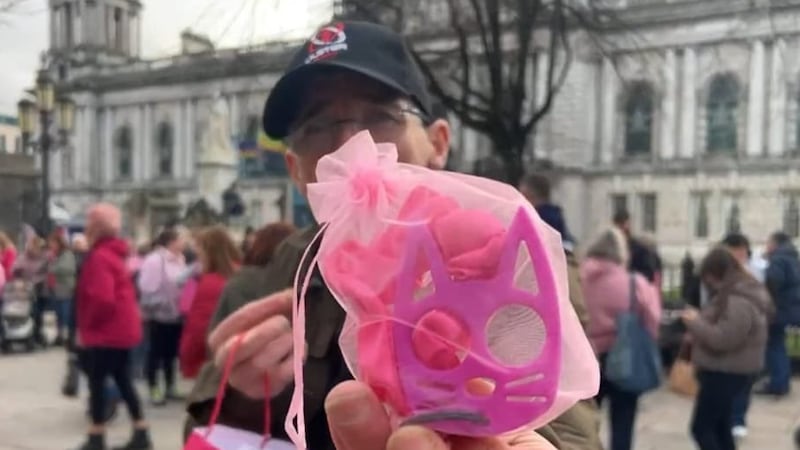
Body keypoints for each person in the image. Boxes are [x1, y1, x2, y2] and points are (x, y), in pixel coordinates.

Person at [185, 20, 569, 450]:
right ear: (296, 172)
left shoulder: (514, 259)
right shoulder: (269, 277)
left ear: (438, 144)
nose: (353, 145)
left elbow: (572, 425)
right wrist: (240, 394)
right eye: (318, 126)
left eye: (381, 117)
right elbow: (203, 431)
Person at [74, 203, 151, 450]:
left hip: (106, 332)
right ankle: (141, 431)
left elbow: (101, 298)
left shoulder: (99, 258)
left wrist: (87, 328)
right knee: (122, 380)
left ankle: (97, 436)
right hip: (122, 329)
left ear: (95, 228)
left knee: (97, 383)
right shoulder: (115, 254)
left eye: (89, 223)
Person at [682, 247, 771, 450]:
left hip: (726, 371)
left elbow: (724, 339)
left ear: (715, 274)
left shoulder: (738, 300)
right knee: (720, 427)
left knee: (701, 428)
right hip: (726, 370)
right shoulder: (736, 293)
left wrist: (695, 322)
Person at [580, 227, 661, 450]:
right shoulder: (635, 283)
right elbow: (652, 322)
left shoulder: (578, 279)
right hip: (624, 357)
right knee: (623, 422)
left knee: (583, 424)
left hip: (584, 359)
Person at [179, 226, 241, 379]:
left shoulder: (207, 282)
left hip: (212, 358)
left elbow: (198, 325)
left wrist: (187, 357)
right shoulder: (243, 275)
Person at [721, 232, 766, 439]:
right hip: (728, 330)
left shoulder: (756, 269)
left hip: (749, 333)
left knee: (743, 379)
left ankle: (738, 419)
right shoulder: (722, 269)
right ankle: (729, 417)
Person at [137, 229, 186, 405]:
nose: (184, 243)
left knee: (171, 352)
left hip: (177, 313)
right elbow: (147, 287)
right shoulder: (155, 260)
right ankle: (154, 388)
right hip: (158, 314)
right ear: (171, 242)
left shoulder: (180, 259)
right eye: (181, 239)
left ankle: (170, 386)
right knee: (155, 352)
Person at [758, 231, 800, 397]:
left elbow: (773, 282)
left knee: (774, 344)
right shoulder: (792, 258)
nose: (766, 246)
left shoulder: (778, 259)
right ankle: (781, 380)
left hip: (779, 309)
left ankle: (778, 383)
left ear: (775, 244)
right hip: (791, 308)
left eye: (768, 243)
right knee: (779, 344)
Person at [13, 235, 49, 347]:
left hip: (40, 289)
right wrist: (18, 273)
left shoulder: (45, 258)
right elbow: (14, 269)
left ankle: (37, 334)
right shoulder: (23, 257)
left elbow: (47, 272)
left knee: (38, 314)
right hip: (26, 289)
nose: (34, 250)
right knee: (29, 312)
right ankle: (27, 334)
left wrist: (40, 279)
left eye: (37, 247)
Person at [613, 209, 662, 285]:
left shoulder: (638, 249)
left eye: (623, 224)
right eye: (618, 225)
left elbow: (648, 274)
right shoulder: (610, 249)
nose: (620, 229)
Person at [47, 230, 77, 346]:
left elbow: (68, 268)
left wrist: (53, 267)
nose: (51, 246)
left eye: (53, 243)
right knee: (58, 314)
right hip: (57, 288)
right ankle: (59, 335)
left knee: (66, 313)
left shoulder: (67, 254)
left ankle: (67, 336)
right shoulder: (56, 255)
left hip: (66, 288)